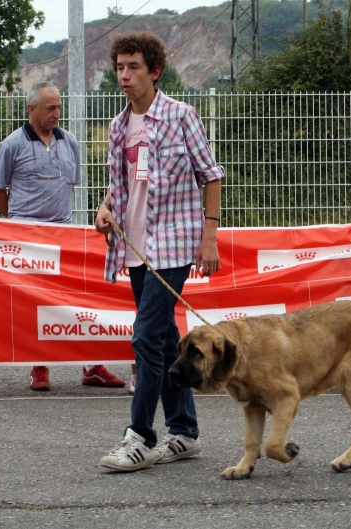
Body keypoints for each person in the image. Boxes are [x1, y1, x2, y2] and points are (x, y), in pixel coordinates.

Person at [95, 32, 224, 471]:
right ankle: (185, 431)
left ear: (154, 71)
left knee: (146, 337)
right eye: (119, 68)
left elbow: (210, 175)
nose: (124, 76)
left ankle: (140, 437)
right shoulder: (117, 126)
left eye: (133, 67)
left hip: (172, 243)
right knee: (167, 339)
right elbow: (120, 187)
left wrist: (210, 234)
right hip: (133, 246)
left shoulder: (180, 115)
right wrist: (105, 208)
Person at [0, 81, 126, 392]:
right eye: (50, 108)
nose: (57, 113)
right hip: (27, 238)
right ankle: (39, 366)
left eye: (59, 107)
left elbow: (70, 185)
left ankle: (92, 365)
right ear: (31, 109)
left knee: (79, 301)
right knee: (32, 304)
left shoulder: (70, 142)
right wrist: (17, 221)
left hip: (63, 234)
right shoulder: (12, 144)